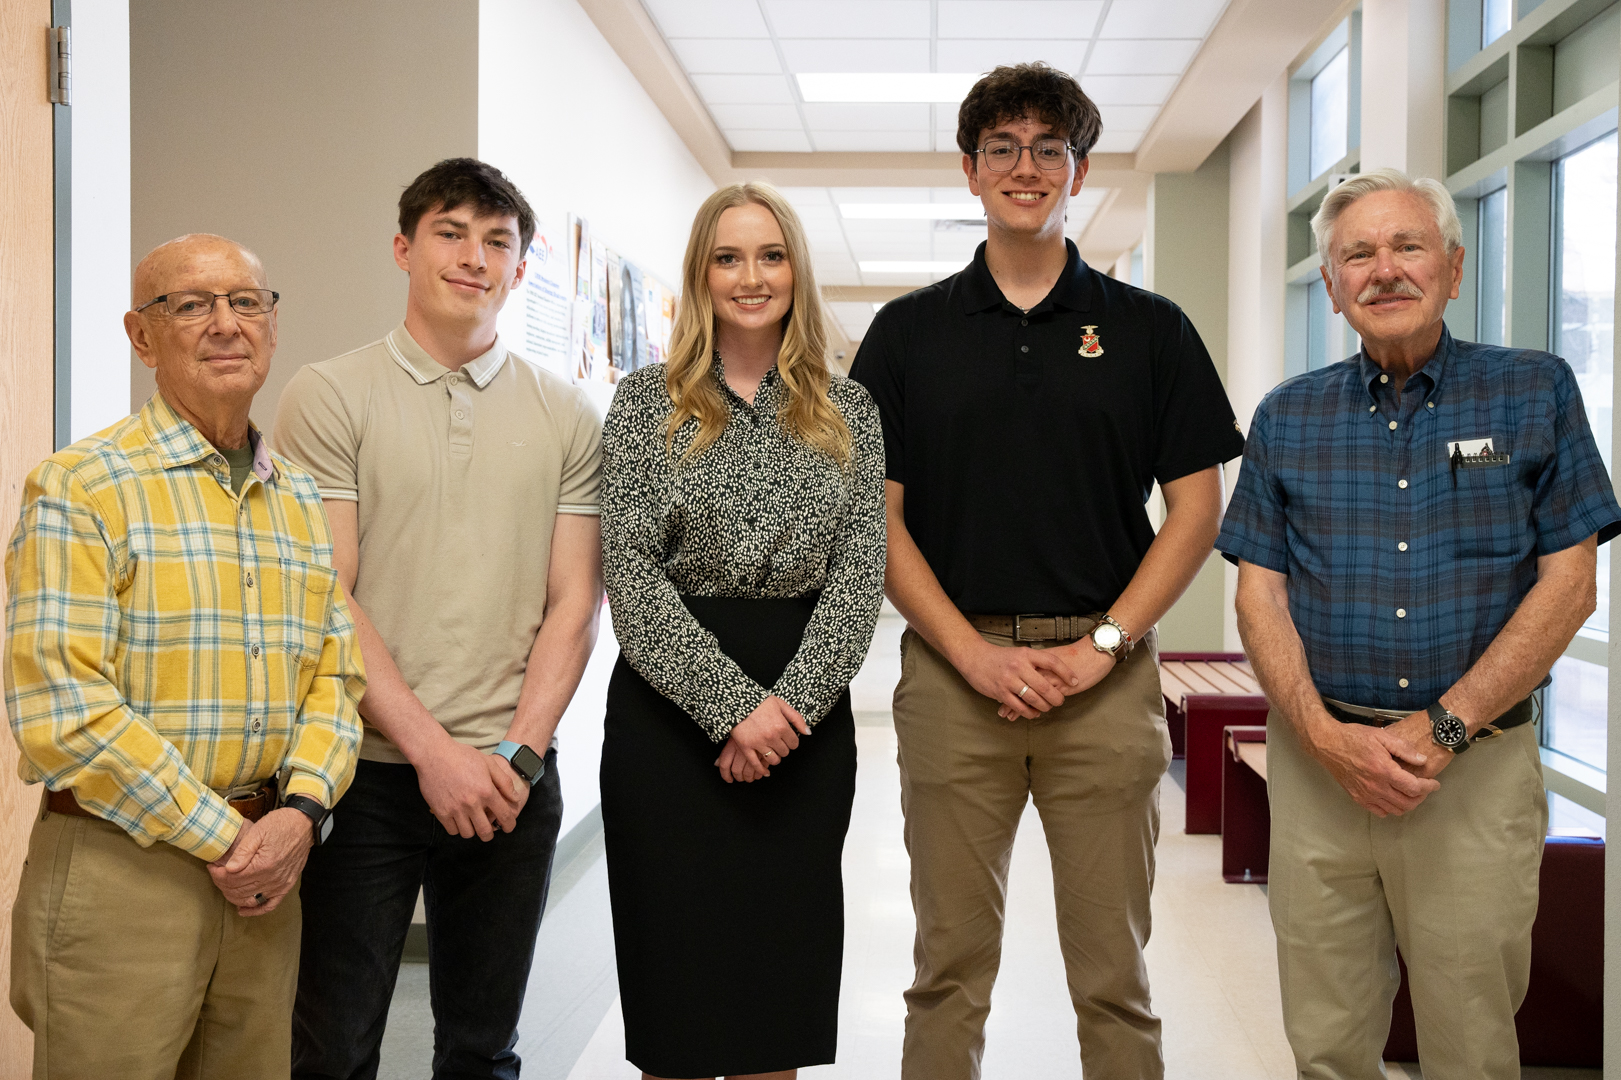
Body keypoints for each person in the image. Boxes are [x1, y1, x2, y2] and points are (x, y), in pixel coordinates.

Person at [849, 63, 1245, 1080]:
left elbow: (1195, 510)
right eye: (1002, 149)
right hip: (950, 681)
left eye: (1048, 149)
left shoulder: (1150, 330)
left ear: (1078, 170)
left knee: (1114, 976)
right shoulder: (906, 335)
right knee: (947, 969)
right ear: (970, 172)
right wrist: (970, 656)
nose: (1026, 168)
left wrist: (1105, 645)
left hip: (1104, 689)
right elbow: (878, 520)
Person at [1218, 168, 1621, 1079]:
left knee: (1470, 1039)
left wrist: (1442, 728)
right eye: (1357, 253)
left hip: (1471, 772)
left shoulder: (1532, 392)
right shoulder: (1289, 415)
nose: (1384, 270)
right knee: (1324, 1039)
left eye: (1407, 247)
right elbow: (1257, 593)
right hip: (1321, 771)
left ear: (1452, 265)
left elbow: (1569, 585)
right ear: (1329, 284)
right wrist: (1323, 738)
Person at [3, 233, 365, 1079]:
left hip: (268, 879)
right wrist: (225, 841)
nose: (225, 324)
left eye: (246, 302)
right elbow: (65, 711)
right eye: (190, 305)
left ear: (273, 327)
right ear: (140, 335)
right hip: (124, 872)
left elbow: (335, 680)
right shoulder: (81, 485)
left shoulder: (298, 497)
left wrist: (300, 814)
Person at [274, 158, 604, 1079]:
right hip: (364, 777)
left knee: (480, 1047)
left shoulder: (567, 413)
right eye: (451, 233)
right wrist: (433, 753)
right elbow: (328, 594)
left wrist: (516, 755)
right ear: (403, 248)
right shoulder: (329, 394)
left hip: (510, 778)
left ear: (521, 268)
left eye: (497, 240)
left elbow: (574, 601)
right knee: (333, 1047)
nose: (474, 256)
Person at [599, 181, 885, 1080]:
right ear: (701, 274)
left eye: (769, 255)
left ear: (796, 270)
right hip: (665, 719)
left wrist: (782, 712)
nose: (750, 276)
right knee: (676, 994)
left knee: (775, 993)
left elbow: (858, 580)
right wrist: (732, 711)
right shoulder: (647, 404)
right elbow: (632, 576)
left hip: (803, 723)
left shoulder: (853, 413)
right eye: (728, 257)